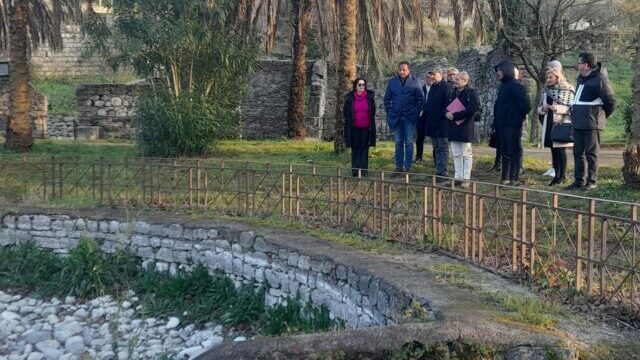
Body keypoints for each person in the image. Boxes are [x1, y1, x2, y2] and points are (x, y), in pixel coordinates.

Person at [566, 52, 616, 190]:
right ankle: (579, 181)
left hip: (592, 123)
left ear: (586, 65)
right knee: (578, 153)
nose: (578, 65)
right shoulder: (581, 79)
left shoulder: (600, 79)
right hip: (578, 122)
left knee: (591, 153)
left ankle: (592, 182)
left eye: (579, 63)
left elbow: (611, 101)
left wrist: (601, 116)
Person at [493, 60, 531, 186]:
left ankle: (513, 178)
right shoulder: (503, 86)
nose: (497, 73)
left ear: (507, 71)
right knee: (504, 151)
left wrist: (516, 117)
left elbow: (525, 105)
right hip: (502, 124)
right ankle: (505, 177)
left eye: (500, 70)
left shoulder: (515, 86)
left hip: (512, 124)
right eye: (497, 70)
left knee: (512, 151)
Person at [384, 62, 425, 173]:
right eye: (400, 69)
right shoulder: (392, 82)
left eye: (404, 70)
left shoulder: (416, 82)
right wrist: (390, 112)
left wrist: (415, 112)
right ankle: (398, 167)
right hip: (396, 117)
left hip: (410, 117)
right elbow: (387, 99)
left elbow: (421, 99)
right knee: (398, 142)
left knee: (409, 142)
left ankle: (408, 167)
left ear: (409, 70)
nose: (402, 72)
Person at [537, 68, 575, 186]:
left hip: (560, 124)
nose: (548, 80)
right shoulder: (545, 91)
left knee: (560, 150)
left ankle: (562, 176)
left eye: (551, 77)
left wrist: (556, 108)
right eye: (547, 78)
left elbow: (571, 108)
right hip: (548, 123)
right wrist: (542, 109)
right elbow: (538, 108)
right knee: (553, 150)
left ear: (558, 78)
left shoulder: (567, 90)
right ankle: (556, 175)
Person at [445, 71, 479, 188]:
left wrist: (455, 115)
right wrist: (447, 114)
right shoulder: (453, 93)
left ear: (465, 81)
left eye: (458, 79)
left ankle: (466, 178)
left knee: (466, 154)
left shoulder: (471, 93)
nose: (455, 80)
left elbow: (472, 109)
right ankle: (458, 177)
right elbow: (446, 106)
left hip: (465, 127)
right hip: (454, 127)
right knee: (456, 153)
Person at [422, 67, 453, 180]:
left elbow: (447, 105)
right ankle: (439, 170)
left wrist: (440, 115)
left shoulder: (446, 87)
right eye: (431, 75)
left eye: (434, 74)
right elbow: (429, 103)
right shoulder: (433, 87)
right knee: (436, 148)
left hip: (442, 123)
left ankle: (443, 172)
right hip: (433, 123)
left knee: (442, 148)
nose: (432, 77)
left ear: (440, 74)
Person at [344, 77, 377, 177]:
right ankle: (355, 170)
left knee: (364, 149)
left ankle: (364, 170)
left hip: (366, 128)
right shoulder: (350, 98)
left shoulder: (369, 98)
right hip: (354, 128)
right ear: (355, 86)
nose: (362, 86)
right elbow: (346, 113)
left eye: (363, 85)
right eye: (359, 85)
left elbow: (373, 112)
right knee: (355, 149)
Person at [415, 73, 432, 163]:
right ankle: (418, 157)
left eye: (431, 77)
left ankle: (436, 159)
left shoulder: (435, 89)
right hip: (421, 116)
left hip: (432, 116)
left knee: (435, 138)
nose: (429, 79)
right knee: (419, 137)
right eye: (427, 77)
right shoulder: (421, 89)